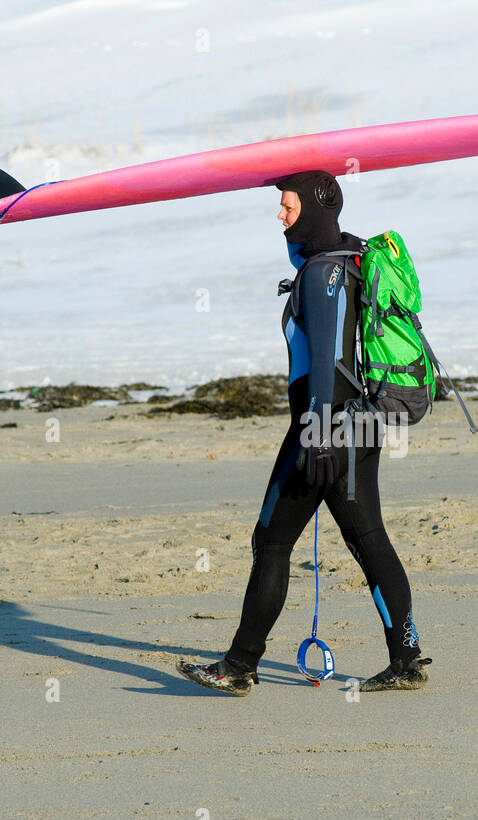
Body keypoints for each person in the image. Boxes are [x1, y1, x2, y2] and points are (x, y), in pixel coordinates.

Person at [178, 170, 430, 696]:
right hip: (357, 425)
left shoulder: (323, 273)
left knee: (270, 540)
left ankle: (239, 665)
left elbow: (328, 359)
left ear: (313, 208)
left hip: (325, 427)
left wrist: (316, 432)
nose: (280, 214)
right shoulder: (347, 260)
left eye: (287, 204)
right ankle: (406, 658)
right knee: (370, 541)